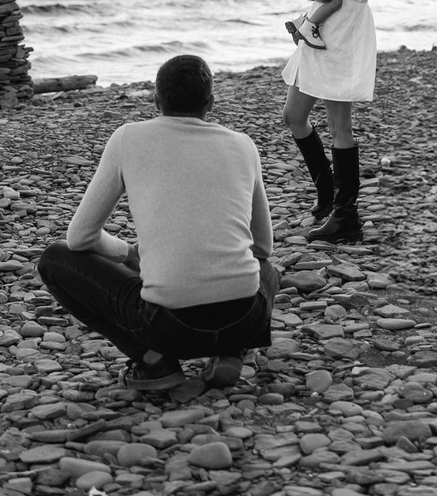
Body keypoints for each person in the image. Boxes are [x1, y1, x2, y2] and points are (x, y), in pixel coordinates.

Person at [37, 54, 278, 392]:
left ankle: (153, 361)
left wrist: (127, 253)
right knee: (267, 270)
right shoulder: (243, 145)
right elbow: (263, 248)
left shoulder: (128, 138)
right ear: (211, 102)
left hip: (169, 325)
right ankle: (229, 351)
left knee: (54, 259)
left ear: (156, 100)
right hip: (244, 319)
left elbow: (80, 238)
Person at [278, 0, 411, 244]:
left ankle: (345, 215)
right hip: (328, 29)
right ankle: (328, 194)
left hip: (342, 34)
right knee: (294, 115)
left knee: (340, 127)